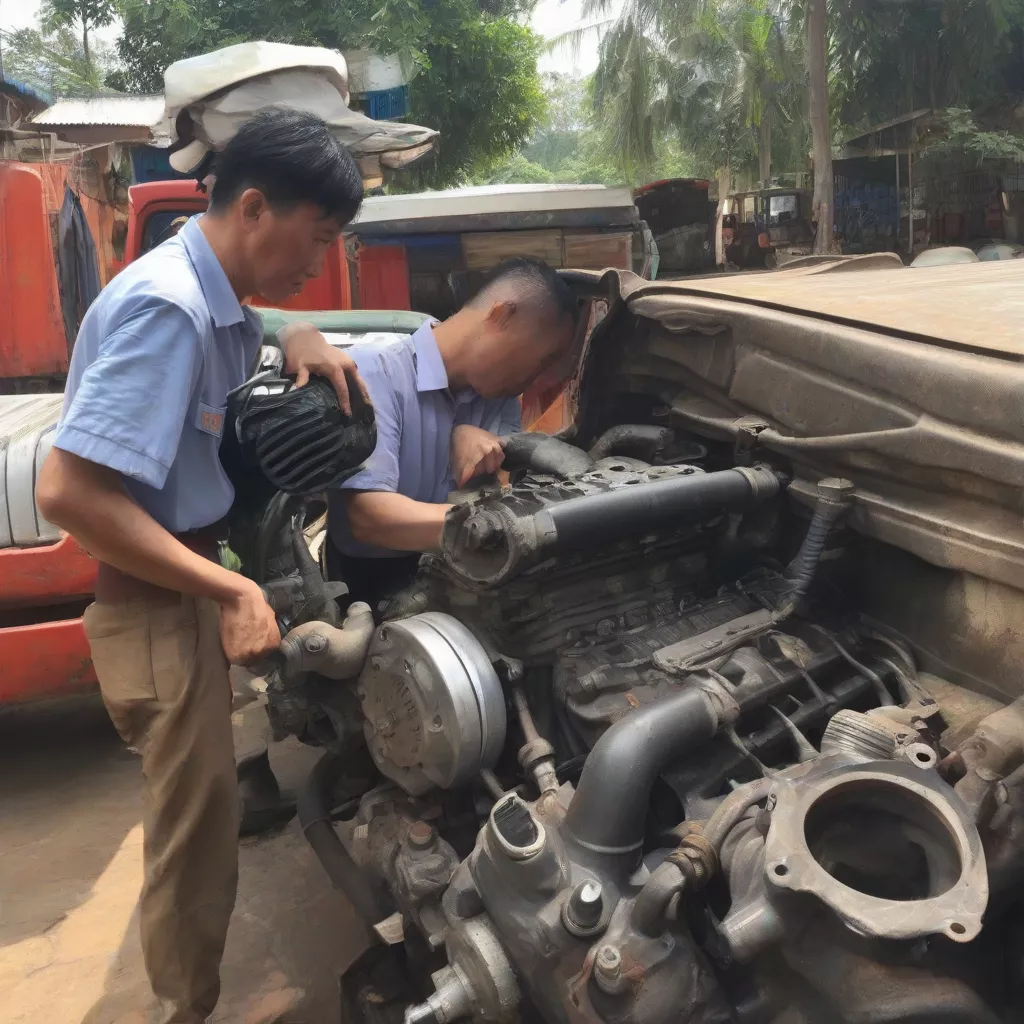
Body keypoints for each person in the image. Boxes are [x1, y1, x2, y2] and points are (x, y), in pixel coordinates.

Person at [35, 109, 368, 1024]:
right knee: (195, 843)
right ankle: (183, 1013)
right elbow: (68, 491)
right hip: (156, 601)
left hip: (176, 590)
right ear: (254, 208)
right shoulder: (170, 310)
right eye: (319, 238)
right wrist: (229, 586)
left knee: (208, 821)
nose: (321, 262)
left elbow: (252, 330)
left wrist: (297, 333)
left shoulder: (215, 300)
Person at [327, 257, 577, 612]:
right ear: (501, 314)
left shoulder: (501, 397)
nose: (535, 377)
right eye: (543, 359)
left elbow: (509, 487)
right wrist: (494, 525)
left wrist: (473, 442)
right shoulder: (372, 374)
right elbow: (369, 518)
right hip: (367, 583)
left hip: (460, 570)